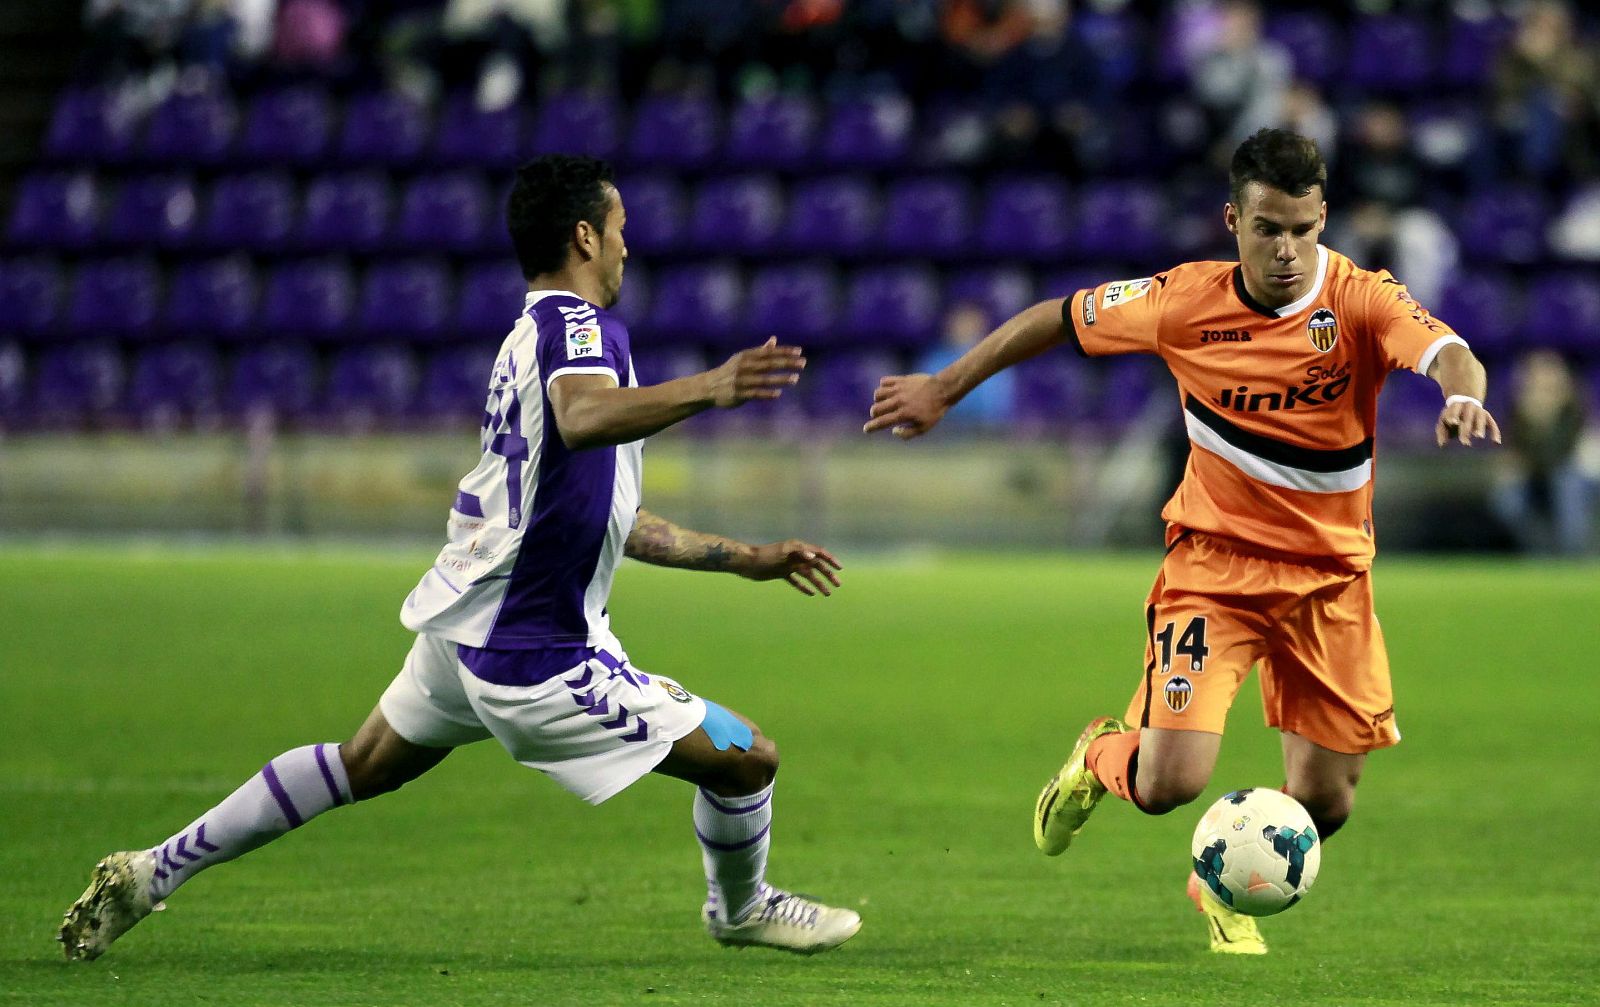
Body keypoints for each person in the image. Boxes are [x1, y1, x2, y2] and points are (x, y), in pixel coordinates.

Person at [58, 155, 861, 962]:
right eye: (620, 228)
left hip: (467, 622)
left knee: (362, 762)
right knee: (747, 758)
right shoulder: (578, 329)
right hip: (535, 653)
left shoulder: (524, 340)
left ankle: (150, 870)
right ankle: (741, 906)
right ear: (585, 236)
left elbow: (603, 514)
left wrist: (742, 557)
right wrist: (712, 386)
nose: (628, 245)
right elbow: (582, 417)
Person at [864, 128, 1500, 956]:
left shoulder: (1360, 299)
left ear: (1323, 219)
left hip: (1331, 582)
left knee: (1327, 802)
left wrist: (1462, 396)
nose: (1287, 250)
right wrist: (944, 387)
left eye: (1303, 229)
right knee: (1169, 781)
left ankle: (1218, 879)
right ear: (1234, 220)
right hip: (1215, 571)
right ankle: (1100, 756)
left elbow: (1449, 351)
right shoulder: (1182, 301)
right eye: (1267, 229)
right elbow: (1057, 318)